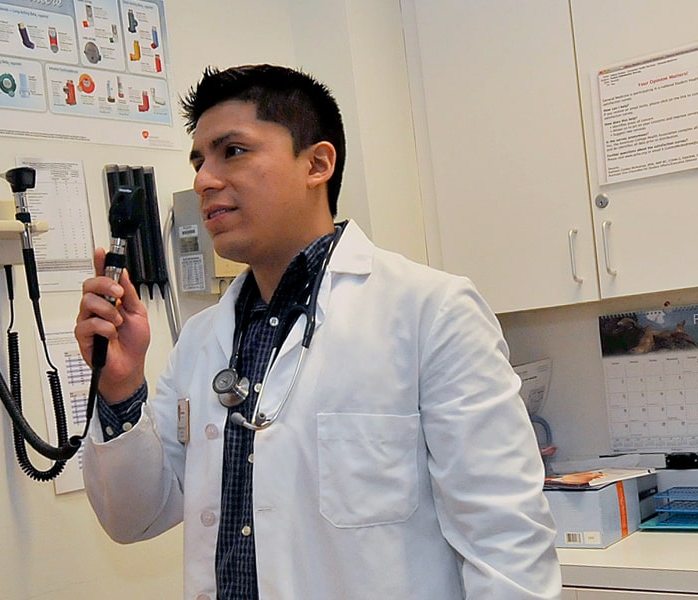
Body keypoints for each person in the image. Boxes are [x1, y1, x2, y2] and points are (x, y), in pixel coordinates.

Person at [75, 64, 560, 599]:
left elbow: (506, 540)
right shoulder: (201, 339)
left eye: (231, 150)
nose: (204, 179)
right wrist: (119, 388)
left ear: (318, 164)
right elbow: (134, 517)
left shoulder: (430, 311)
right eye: (199, 159)